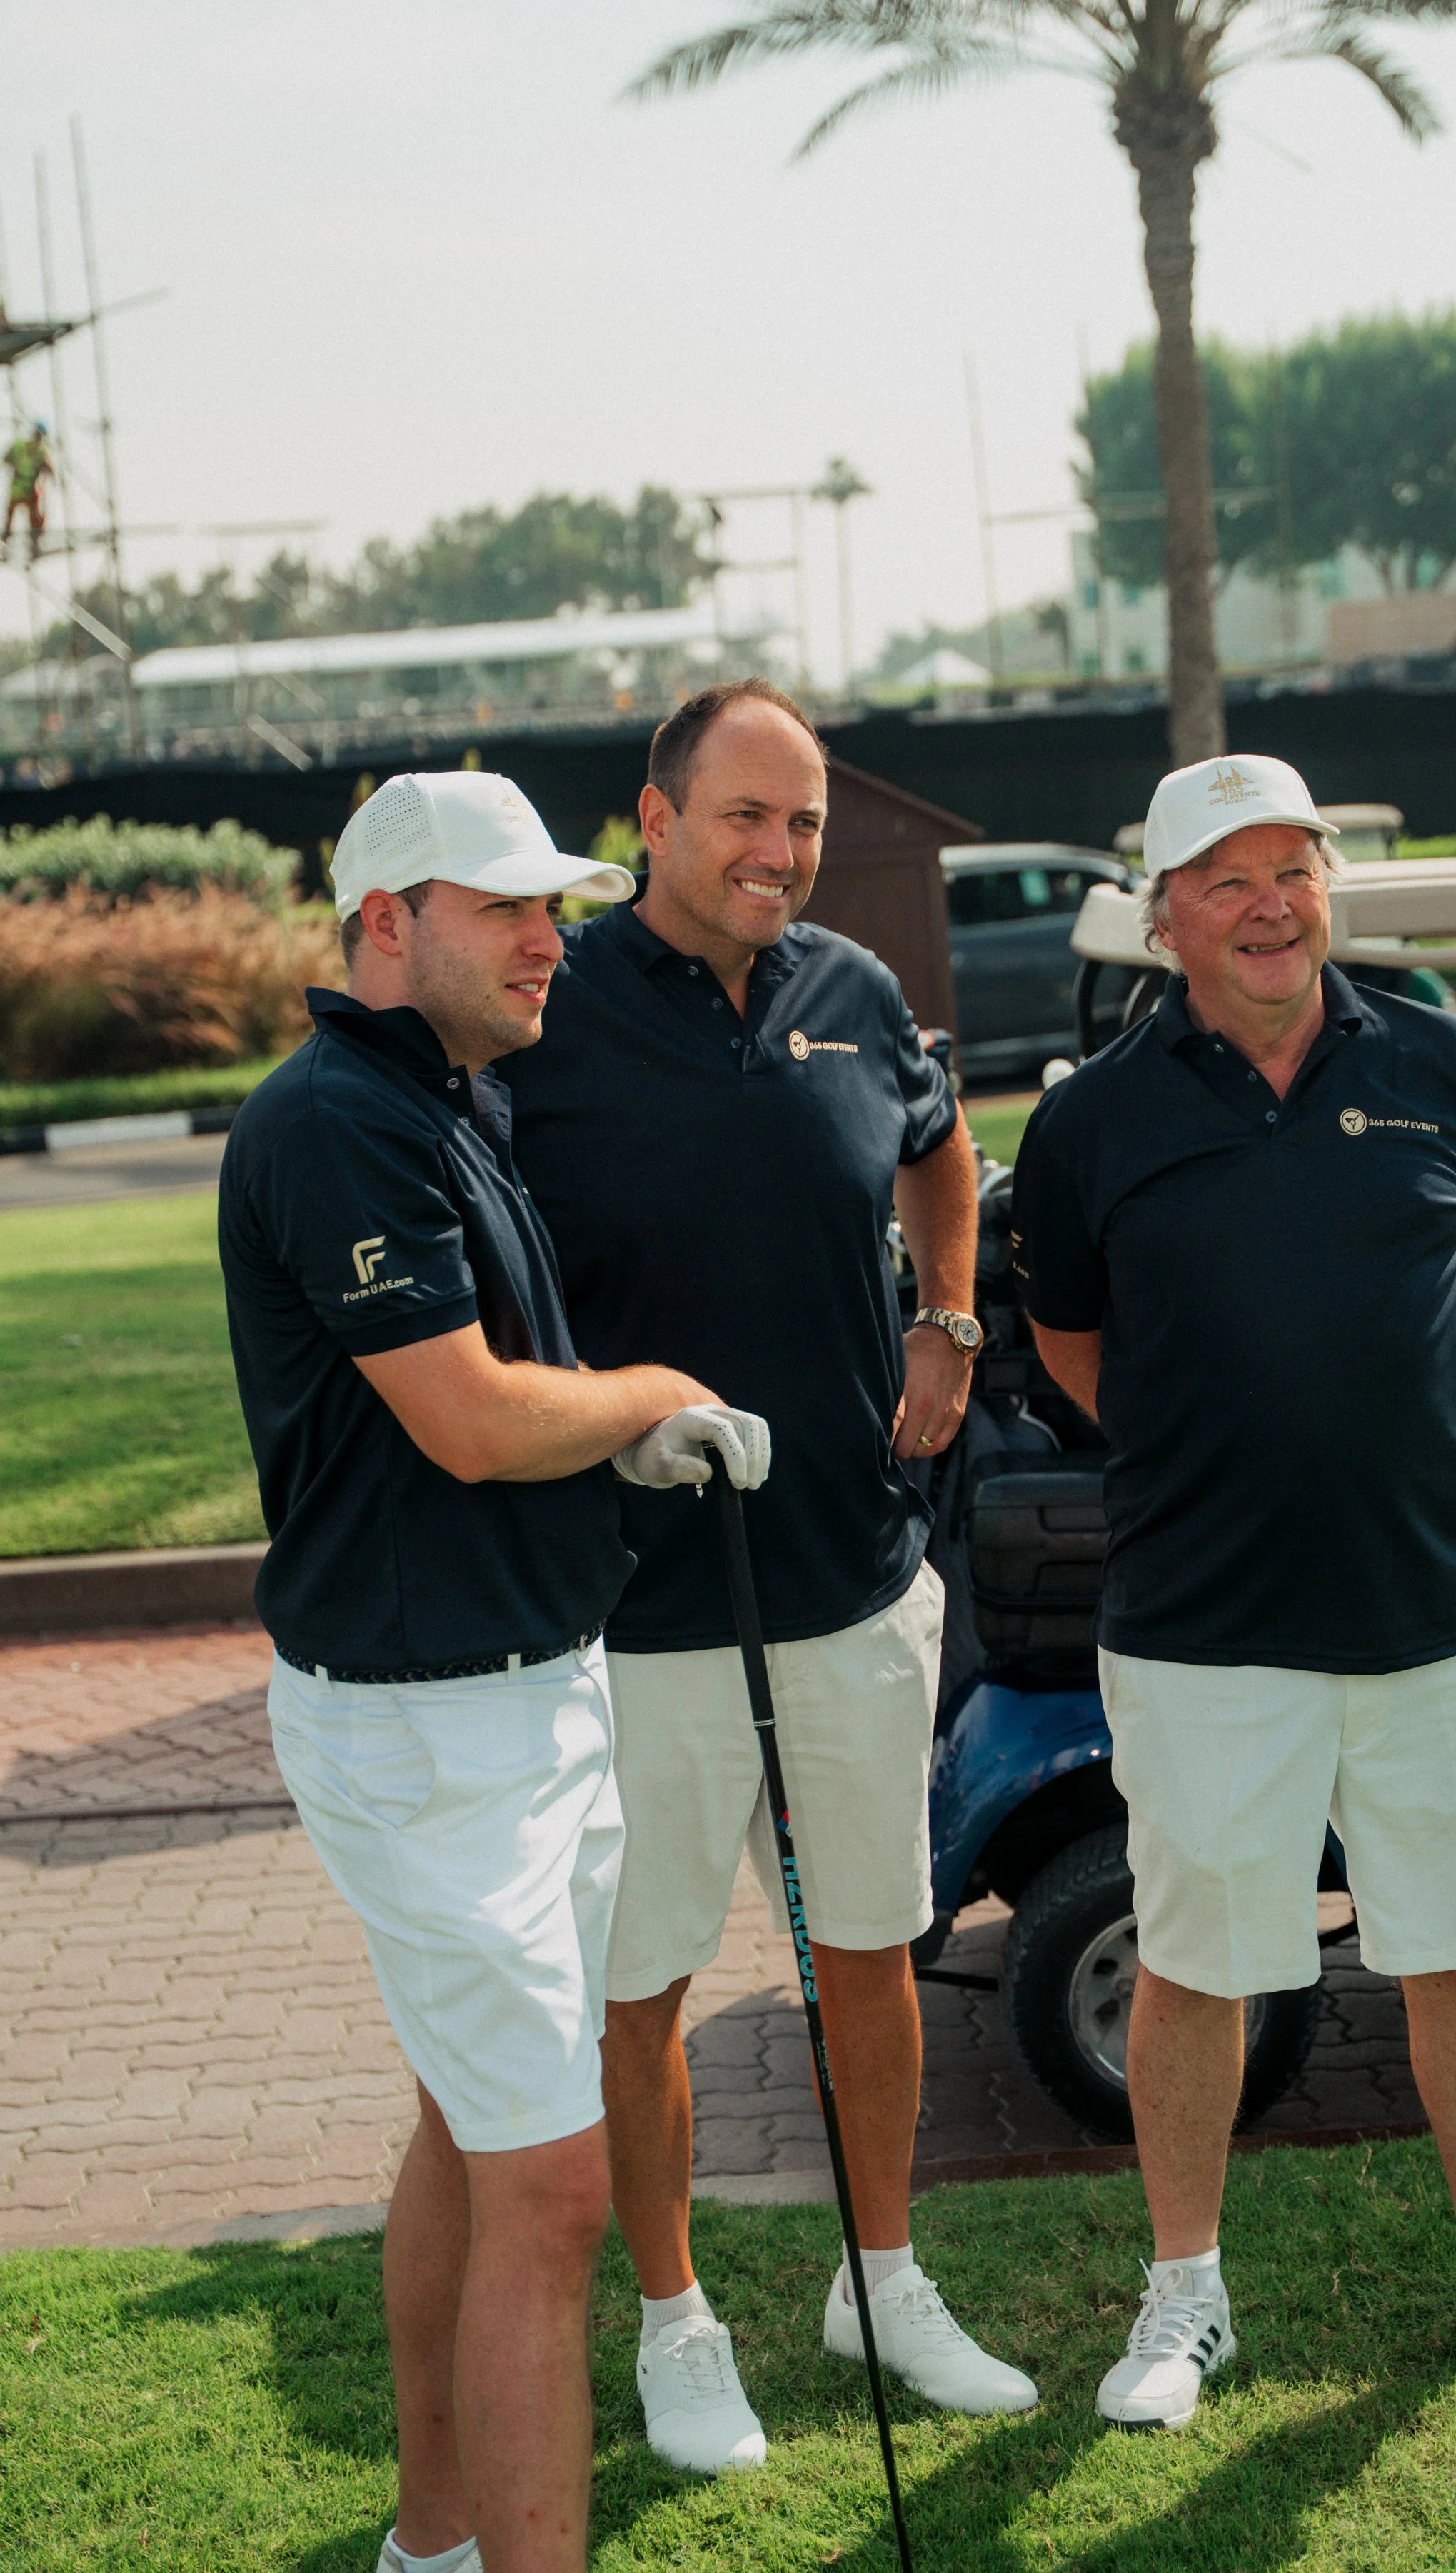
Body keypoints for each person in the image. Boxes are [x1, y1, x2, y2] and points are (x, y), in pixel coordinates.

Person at [1010, 752, 1456, 2430]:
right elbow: (1076, 1346)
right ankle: (1183, 2296)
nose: (1273, 901)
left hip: (1429, 1602)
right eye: (1230, 876)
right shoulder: (1089, 1120)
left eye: (1297, 867)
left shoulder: (1439, 1061)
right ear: (1167, 915)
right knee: (1204, 1963)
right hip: (1204, 1621)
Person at [219, 768, 773, 2573]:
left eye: (559, 904)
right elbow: (463, 1418)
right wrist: (655, 1396)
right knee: (550, 2183)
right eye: (511, 907)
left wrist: (609, 1434)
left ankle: (434, 2539)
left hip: (527, 1697)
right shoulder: (336, 1122)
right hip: (429, 1725)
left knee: (477, 2131)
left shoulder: (441, 1100)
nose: (556, 937)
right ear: (390, 923)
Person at [501, 677, 1037, 2475]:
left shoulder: (854, 990)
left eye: (801, 820)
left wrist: (947, 1320)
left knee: (873, 1952)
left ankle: (880, 2276)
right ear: (652, 819)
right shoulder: (544, 1007)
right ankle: (676, 2319)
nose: (780, 852)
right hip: (637, 1599)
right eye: (746, 814)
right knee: (641, 1983)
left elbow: (942, 1151)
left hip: (857, 1575)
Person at [4, 421, 52, 559]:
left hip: (30, 491)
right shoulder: (20, 447)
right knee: (12, 517)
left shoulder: (41, 452)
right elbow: (7, 458)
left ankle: (34, 544)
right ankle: (6, 543)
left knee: (34, 518)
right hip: (19, 489)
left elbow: (49, 467)